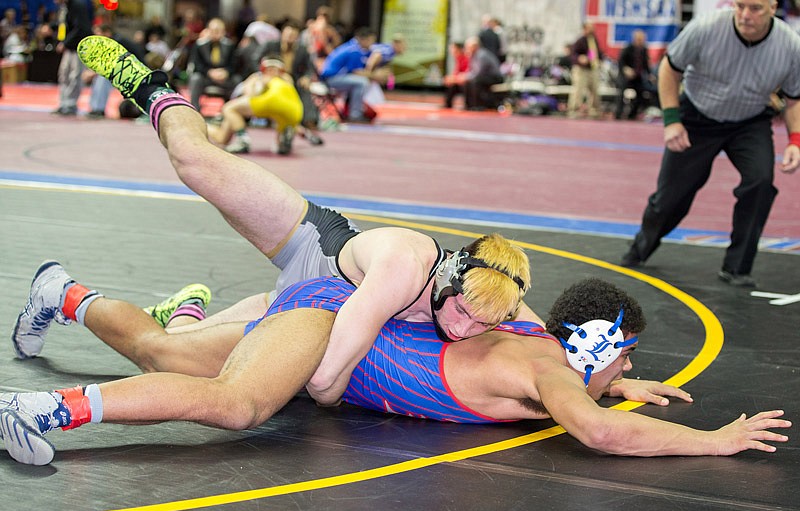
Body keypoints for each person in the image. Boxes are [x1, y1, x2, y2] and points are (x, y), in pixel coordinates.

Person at [59, 35, 531, 406]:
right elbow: (326, 383)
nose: (467, 328)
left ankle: (182, 310)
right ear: (449, 277)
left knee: (169, 356)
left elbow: (544, 340)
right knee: (195, 162)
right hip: (312, 246)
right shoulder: (403, 268)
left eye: (483, 324)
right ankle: (151, 86)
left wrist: (593, 376)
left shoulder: (491, 296)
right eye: (464, 313)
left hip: (304, 309)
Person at [1, 271, 790, 466]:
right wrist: (716, 441)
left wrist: (619, 382)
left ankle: (60, 290)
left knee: (161, 351)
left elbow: (590, 391)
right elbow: (598, 433)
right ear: (586, 345)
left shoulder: (537, 342)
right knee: (236, 405)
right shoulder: (551, 371)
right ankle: (39, 410)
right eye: (622, 353)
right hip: (329, 326)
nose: (627, 367)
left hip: (332, 308)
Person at [620, 0, 800, 287]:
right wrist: (671, 120)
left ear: (772, 7)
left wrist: (795, 141)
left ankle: (737, 268)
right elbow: (669, 68)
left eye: (755, 8)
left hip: (749, 122)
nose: (745, 15)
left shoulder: (790, 45)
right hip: (697, 117)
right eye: (740, 5)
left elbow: (793, 98)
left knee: (760, 182)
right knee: (670, 198)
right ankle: (638, 251)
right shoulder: (706, 27)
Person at [207, 57, 303, 155]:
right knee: (222, 138)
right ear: (264, 70)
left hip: (261, 109)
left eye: (275, 70)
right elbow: (248, 94)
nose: (272, 73)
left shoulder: (284, 78)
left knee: (229, 108)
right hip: (241, 109)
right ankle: (206, 125)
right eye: (270, 69)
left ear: (280, 71)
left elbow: (288, 100)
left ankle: (243, 139)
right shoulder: (257, 77)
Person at [318, 27, 377, 122]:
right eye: (371, 41)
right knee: (362, 82)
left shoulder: (353, 47)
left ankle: (348, 110)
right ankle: (355, 115)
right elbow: (356, 72)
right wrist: (375, 76)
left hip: (335, 77)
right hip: (330, 79)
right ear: (363, 39)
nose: (372, 44)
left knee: (359, 82)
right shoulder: (354, 50)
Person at [187, 18, 238, 112]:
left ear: (224, 32)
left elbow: (234, 65)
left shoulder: (230, 45)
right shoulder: (199, 45)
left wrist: (226, 72)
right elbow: (197, 65)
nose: (216, 33)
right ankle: (195, 109)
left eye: (218, 31)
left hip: (224, 78)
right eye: (213, 31)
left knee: (236, 80)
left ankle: (231, 110)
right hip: (206, 77)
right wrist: (209, 72)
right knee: (195, 78)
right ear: (208, 31)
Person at [51, 0, 91, 116]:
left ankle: (71, 104)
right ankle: (63, 103)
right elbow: (63, 24)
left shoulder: (78, 5)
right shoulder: (64, 7)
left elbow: (81, 28)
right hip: (69, 47)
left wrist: (65, 43)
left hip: (78, 47)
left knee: (75, 76)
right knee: (63, 75)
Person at [567, 22, 604, 119]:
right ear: (585, 29)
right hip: (581, 70)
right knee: (578, 90)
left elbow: (595, 53)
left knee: (594, 90)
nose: (592, 30)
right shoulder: (580, 41)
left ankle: (593, 110)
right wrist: (580, 58)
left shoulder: (593, 40)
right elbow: (573, 55)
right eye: (589, 28)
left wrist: (599, 60)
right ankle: (574, 109)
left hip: (592, 69)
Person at [614, 29, 653, 121]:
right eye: (639, 39)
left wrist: (649, 74)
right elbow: (621, 62)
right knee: (621, 92)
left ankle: (632, 114)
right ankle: (618, 114)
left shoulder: (644, 50)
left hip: (637, 77)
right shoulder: (627, 48)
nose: (641, 41)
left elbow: (645, 64)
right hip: (625, 77)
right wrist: (626, 69)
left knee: (641, 93)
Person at [462, 36, 503, 111]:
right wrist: (464, 77)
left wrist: (465, 77)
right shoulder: (473, 55)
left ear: (475, 46)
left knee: (475, 81)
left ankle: (478, 105)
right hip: (484, 77)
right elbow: (472, 71)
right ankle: (469, 105)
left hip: (495, 78)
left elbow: (478, 73)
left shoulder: (482, 55)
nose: (467, 49)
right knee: (467, 82)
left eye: (468, 47)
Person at [442, 41, 470, 109]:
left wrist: (455, 79)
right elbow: (456, 72)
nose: (451, 50)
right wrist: (450, 78)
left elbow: (467, 73)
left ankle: (468, 105)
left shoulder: (466, 58)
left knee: (462, 85)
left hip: (466, 80)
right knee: (450, 84)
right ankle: (448, 104)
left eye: (453, 48)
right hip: (459, 80)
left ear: (459, 49)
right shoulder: (458, 58)